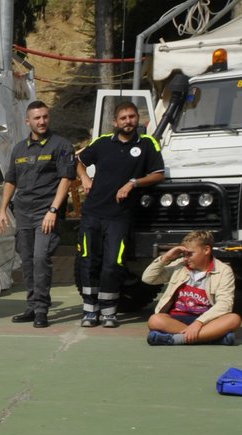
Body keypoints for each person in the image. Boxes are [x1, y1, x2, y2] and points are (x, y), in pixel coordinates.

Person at [76, 100, 166, 327]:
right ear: (115, 122)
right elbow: (77, 161)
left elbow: (158, 174)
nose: (128, 121)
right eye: (123, 118)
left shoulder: (147, 143)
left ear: (137, 119)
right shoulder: (102, 142)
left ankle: (108, 311)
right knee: (89, 261)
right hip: (93, 212)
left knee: (113, 263)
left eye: (132, 117)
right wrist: (85, 177)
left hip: (119, 216)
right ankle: (90, 310)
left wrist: (133, 183)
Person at [0, 101, 74, 328]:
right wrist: (2, 210)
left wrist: (53, 210)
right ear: (27, 121)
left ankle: (41, 310)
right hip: (23, 213)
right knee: (27, 261)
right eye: (37, 118)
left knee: (41, 259)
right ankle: (31, 307)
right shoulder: (19, 149)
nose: (42, 121)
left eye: (45, 117)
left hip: (46, 213)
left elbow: (66, 179)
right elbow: (11, 180)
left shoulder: (61, 145)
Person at [142, 230, 242, 345]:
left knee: (234, 319)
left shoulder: (223, 270)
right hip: (176, 318)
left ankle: (177, 339)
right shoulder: (180, 265)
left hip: (206, 320)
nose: (185, 258)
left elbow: (225, 304)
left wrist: (198, 323)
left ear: (206, 250)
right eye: (184, 254)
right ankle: (214, 338)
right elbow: (148, 278)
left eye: (190, 254)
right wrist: (166, 258)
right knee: (155, 320)